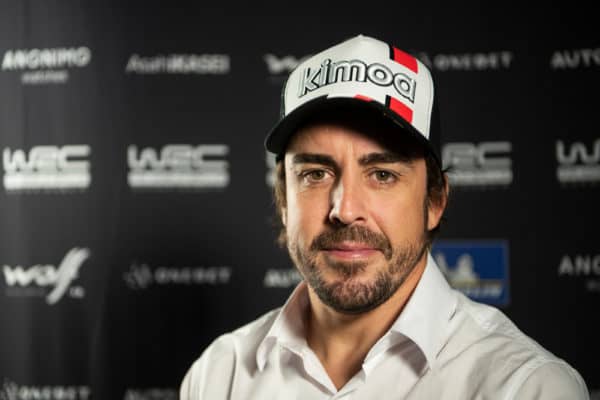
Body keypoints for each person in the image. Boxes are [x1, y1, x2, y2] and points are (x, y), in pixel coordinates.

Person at [179, 34, 589, 399]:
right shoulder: (218, 376)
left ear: (435, 201)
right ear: (283, 200)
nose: (345, 210)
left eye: (382, 175)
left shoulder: (526, 388)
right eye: (315, 174)